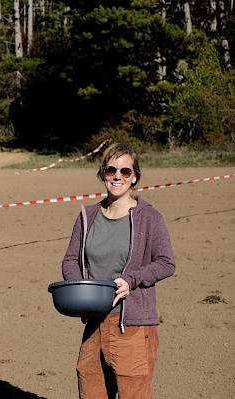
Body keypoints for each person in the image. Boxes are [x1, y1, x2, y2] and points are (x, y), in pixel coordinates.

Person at [61, 143, 175, 398]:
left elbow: (167, 262)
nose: (117, 176)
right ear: (103, 173)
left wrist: (131, 280)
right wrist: (81, 289)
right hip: (94, 323)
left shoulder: (149, 218)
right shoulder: (87, 216)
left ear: (134, 177)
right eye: (111, 169)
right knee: (90, 390)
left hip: (132, 325)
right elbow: (70, 260)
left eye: (125, 171)